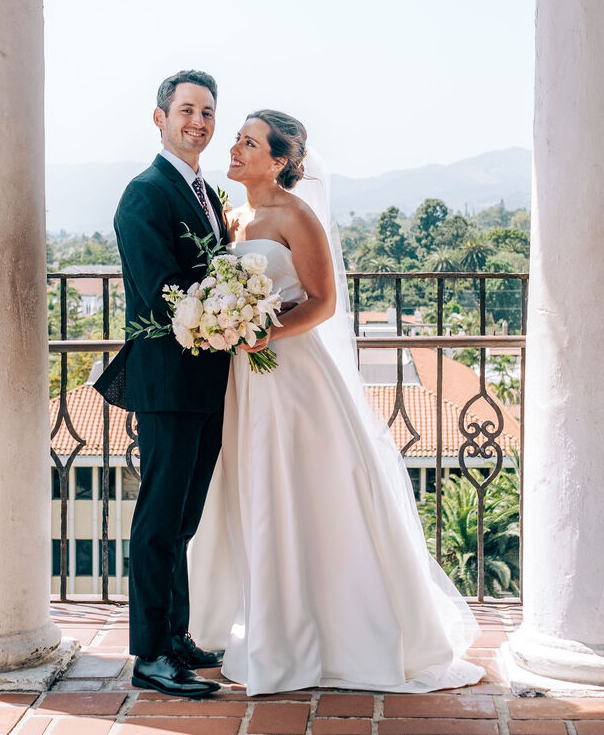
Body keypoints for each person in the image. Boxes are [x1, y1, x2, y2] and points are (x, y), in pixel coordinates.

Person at [184, 109, 484, 695]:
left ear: (279, 161)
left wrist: (264, 331)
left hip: (293, 378)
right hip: (243, 380)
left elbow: (321, 301)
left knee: (301, 494)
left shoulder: (298, 217)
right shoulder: (230, 216)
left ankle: (328, 634)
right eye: (238, 139)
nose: (236, 148)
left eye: (249, 142)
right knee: (253, 494)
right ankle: (260, 624)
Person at [93, 69, 230, 698]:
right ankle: (149, 653)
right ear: (159, 118)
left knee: (184, 514)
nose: (198, 122)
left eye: (207, 112)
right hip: (169, 380)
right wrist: (225, 306)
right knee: (157, 518)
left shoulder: (204, 192)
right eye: (186, 111)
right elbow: (158, 291)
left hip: (208, 376)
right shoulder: (145, 194)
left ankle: (176, 634)